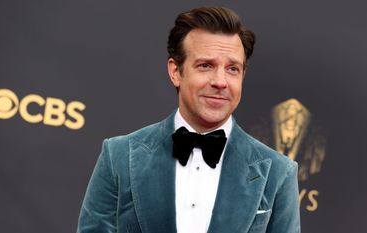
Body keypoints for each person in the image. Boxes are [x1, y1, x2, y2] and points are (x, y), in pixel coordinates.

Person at [77, 6, 300, 233]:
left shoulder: (278, 173)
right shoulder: (119, 156)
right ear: (176, 72)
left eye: (232, 69)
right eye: (205, 66)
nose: (220, 81)